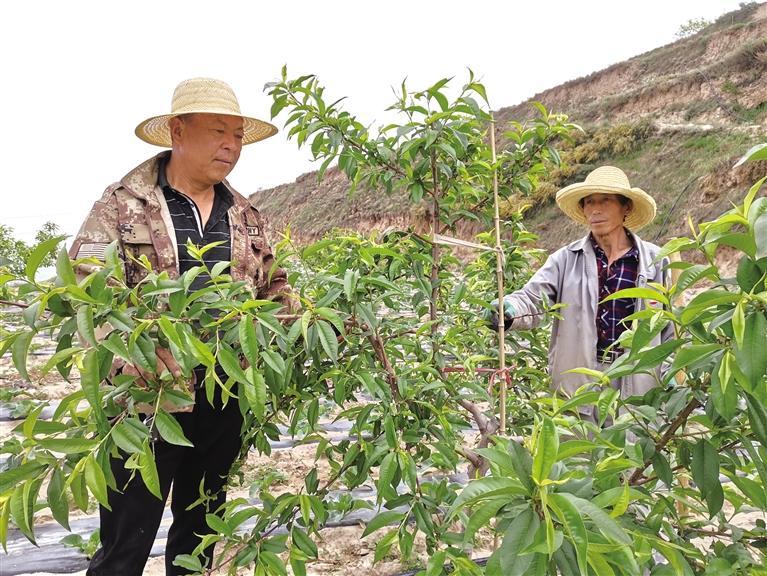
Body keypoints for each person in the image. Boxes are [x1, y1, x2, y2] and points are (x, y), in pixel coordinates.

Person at [69, 78, 294, 576]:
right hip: (147, 401)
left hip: (223, 395)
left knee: (200, 529)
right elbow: (85, 293)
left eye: (237, 135)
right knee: (127, 536)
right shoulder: (123, 205)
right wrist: (137, 350)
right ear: (177, 130)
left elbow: (273, 287)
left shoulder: (246, 214)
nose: (231, 146)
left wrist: (305, 325)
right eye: (218, 131)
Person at [487, 166, 670, 403]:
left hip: (638, 381)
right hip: (579, 382)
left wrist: (670, 374)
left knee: (633, 435)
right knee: (579, 437)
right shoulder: (565, 260)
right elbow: (532, 299)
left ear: (626, 207)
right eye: (589, 202)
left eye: (605, 200)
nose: (595, 209)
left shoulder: (655, 262)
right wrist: (507, 309)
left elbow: (671, 328)